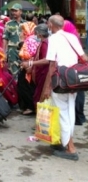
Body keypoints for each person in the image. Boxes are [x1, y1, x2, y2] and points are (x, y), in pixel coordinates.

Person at [42, 15, 87, 161]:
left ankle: (70, 148)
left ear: (50, 25)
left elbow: (52, 64)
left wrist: (47, 87)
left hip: (60, 80)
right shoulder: (72, 37)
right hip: (73, 80)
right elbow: (84, 57)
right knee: (69, 111)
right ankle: (67, 143)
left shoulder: (53, 39)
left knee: (62, 113)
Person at [20, 24, 49, 111]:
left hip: (44, 72)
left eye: (36, 34)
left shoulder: (45, 43)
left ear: (39, 34)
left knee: (39, 96)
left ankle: (42, 118)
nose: (35, 36)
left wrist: (31, 63)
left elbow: (46, 60)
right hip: (39, 71)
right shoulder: (43, 42)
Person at [17, 21, 39, 115]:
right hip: (27, 65)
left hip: (29, 67)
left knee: (26, 86)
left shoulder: (31, 40)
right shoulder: (32, 39)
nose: (22, 33)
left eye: (23, 30)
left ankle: (30, 107)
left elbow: (30, 55)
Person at [3, 3, 26, 76]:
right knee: (13, 71)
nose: (13, 12)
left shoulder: (26, 24)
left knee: (23, 70)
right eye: (12, 11)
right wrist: (4, 53)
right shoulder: (8, 24)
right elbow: (5, 38)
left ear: (21, 11)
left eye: (16, 11)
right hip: (12, 50)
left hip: (24, 50)